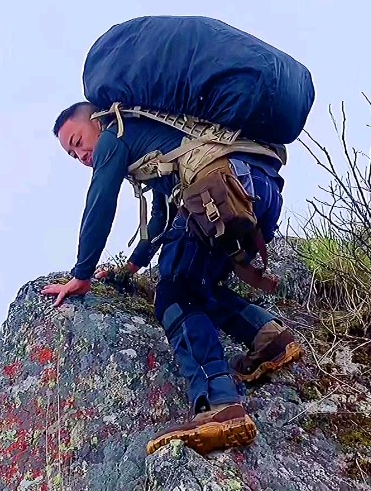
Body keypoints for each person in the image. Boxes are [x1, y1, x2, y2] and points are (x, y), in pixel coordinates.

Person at [43, 99, 304, 456]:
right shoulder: (159, 137)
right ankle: (269, 338)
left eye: (77, 142)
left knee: (175, 295)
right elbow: (163, 212)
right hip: (256, 189)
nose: (81, 155)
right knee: (199, 285)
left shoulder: (113, 136)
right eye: (72, 156)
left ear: (96, 121)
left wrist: (82, 274)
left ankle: (219, 405)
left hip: (219, 189)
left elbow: (100, 200)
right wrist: (133, 265)